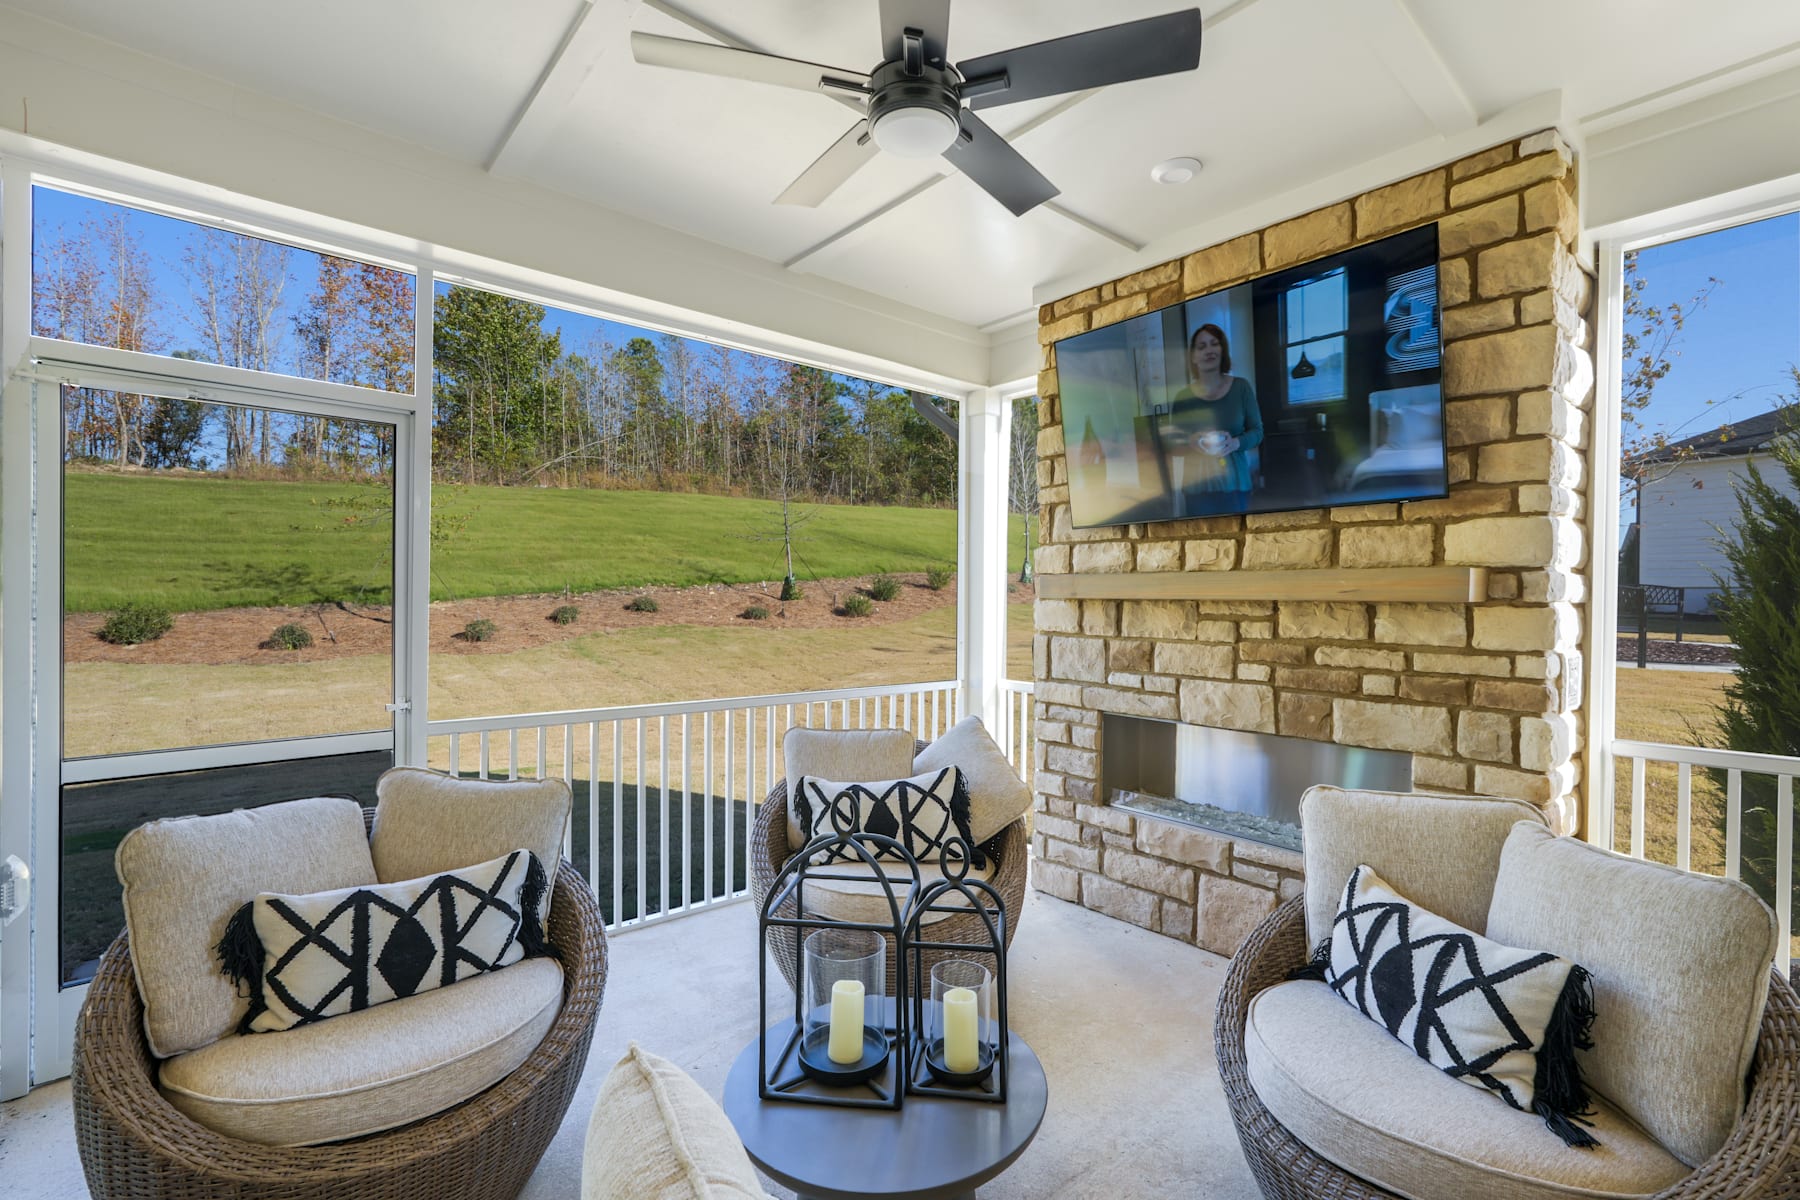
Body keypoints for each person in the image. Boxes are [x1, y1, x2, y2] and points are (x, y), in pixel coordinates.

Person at [1164, 323, 1263, 515]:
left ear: (1222, 349)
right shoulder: (1182, 397)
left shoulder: (1241, 387)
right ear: (1193, 356)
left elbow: (1257, 432)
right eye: (1201, 347)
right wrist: (1191, 441)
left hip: (1235, 484)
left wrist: (1235, 443)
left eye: (1214, 344)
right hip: (1196, 486)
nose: (1209, 350)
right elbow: (1172, 443)